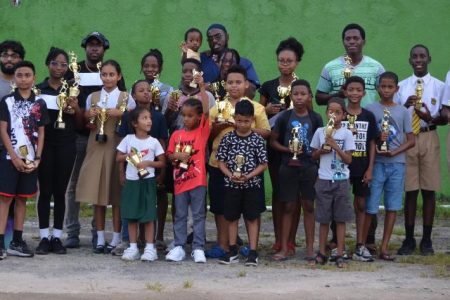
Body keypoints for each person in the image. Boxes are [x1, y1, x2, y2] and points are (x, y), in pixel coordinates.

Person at [65, 31, 125, 249]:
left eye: (98, 45)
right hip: (85, 138)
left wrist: (120, 115)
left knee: (112, 191)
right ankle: (73, 231)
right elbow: (75, 107)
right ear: (84, 48)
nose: (94, 49)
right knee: (79, 187)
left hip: (113, 143)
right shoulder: (74, 71)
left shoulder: (122, 93)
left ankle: (101, 235)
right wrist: (82, 114)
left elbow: (127, 115)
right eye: (90, 45)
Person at [207, 65, 270, 258]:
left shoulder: (257, 108)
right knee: (221, 207)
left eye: (238, 82)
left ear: (246, 84)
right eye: (230, 82)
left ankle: (252, 248)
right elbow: (208, 134)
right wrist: (221, 126)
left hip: (250, 169)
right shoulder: (217, 107)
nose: (234, 86)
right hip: (220, 165)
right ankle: (224, 244)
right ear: (225, 85)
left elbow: (267, 133)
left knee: (251, 209)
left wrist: (243, 128)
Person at [394, 45, 445, 256]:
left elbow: (445, 117)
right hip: (408, 138)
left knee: (429, 190)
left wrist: (429, 118)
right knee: (410, 190)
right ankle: (408, 239)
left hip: (429, 136)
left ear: (429, 59)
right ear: (409, 60)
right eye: (414, 56)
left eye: (422, 56)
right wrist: (405, 106)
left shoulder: (440, 86)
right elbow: (394, 115)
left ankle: (426, 240)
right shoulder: (401, 86)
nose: (418, 60)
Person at [76, 60, 127, 254]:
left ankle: (116, 237)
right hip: (97, 145)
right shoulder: (92, 97)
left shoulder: (125, 97)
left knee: (116, 194)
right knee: (98, 193)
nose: (108, 78)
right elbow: (87, 122)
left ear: (119, 76)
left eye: (111, 74)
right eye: (104, 75)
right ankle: (99, 237)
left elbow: (131, 120)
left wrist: (120, 113)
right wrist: (90, 114)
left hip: (117, 146)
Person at [35, 47, 83, 255]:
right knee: (44, 191)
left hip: (66, 144)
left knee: (60, 192)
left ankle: (57, 237)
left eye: (64, 64)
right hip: (44, 146)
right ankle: (44, 236)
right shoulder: (38, 90)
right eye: (55, 63)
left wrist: (76, 108)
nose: (59, 68)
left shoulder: (72, 90)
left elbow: (81, 123)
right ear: (48, 64)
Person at [259, 37, 304, 254]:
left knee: (294, 194)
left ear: (297, 63)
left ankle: (291, 240)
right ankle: (278, 239)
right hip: (274, 146)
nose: (285, 64)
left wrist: (296, 104)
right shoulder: (268, 86)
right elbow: (257, 115)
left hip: (296, 147)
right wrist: (267, 110)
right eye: (281, 60)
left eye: (290, 61)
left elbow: (310, 114)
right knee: (278, 192)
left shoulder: (301, 86)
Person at [0, 61, 49, 259]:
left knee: (22, 200)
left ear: (34, 78)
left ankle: (17, 241)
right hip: (8, 158)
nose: (23, 79)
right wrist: (13, 156)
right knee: (5, 200)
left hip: (30, 160)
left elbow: (42, 132)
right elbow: (2, 130)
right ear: (15, 78)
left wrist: (37, 158)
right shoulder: (7, 101)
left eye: (27, 75)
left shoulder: (39, 103)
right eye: (19, 75)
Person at [270, 79, 322, 262]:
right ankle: (284, 248)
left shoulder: (315, 118)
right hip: (288, 167)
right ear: (290, 96)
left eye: (303, 94)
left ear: (309, 96)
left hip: (309, 168)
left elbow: (318, 144)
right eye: (296, 94)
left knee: (308, 206)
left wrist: (315, 157)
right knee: (289, 207)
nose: (299, 98)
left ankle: (309, 249)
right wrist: (287, 150)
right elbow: (273, 140)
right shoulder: (284, 117)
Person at [364, 71, 415, 261]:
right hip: (376, 164)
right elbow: (369, 138)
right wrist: (378, 144)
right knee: (371, 206)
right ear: (377, 88)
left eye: (390, 87)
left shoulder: (402, 111)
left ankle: (384, 246)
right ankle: (364, 244)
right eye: (383, 86)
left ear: (397, 89)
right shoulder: (370, 109)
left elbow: (411, 140)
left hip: (397, 164)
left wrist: (395, 151)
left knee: (392, 207)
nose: (386, 90)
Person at [114, 80, 168, 255]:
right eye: (145, 118)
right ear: (135, 123)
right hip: (132, 181)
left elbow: (162, 159)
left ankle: (150, 247)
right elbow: (118, 157)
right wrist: (126, 160)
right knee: (130, 213)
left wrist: (151, 165)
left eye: (150, 118)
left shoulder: (154, 138)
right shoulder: (128, 138)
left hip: (148, 181)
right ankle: (132, 246)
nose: (149, 121)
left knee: (148, 214)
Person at [217, 99, 268, 266]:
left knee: (252, 217)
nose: (243, 124)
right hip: (231, 185)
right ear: (234, 118)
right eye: (239, 121)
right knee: (231, 217)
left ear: (252, 119)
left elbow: (263, 164)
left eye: (246, 121)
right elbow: (221, 162)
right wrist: (230, 175)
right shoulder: (228, 138)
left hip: (251, 185)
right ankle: (232, 250)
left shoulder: (257, 139)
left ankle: (253, 252)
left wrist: (249, 176)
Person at [165, 75, 210, 263]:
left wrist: (201, 88)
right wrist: (177, 156)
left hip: (198, 181)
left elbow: (207, 110)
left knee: (199, 215)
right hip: (180, 182)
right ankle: (179, 246)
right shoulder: (176, 134)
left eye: (190, 115)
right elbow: (169, 155)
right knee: (180, 214)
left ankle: (198, 247)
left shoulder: (202, 131)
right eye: (183, 115)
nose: (186, 119)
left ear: (199, 117)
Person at [310, 97, 355, 268]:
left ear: (343, 115)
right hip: (323, 179)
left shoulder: (347, 133)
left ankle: (339, 252)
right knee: (323, 218)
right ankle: (322, 252)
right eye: (330, 111)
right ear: (326, 112)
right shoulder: (320, 132)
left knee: (341, 219)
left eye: (337, 112)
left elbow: (349, 159)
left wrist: (335, 146)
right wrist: (322, 150)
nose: (333, 115)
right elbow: (313, 155)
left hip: (341, 180)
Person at [341, 76, 377, 262]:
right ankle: (338, 244)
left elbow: (372, 144)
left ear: (364, 93)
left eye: (358, 90)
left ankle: (360, 245)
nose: (354, 93)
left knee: (361, 204)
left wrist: (370, 168)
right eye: (351, 90)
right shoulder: (339, 114)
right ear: (345, 91)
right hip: (341, 168)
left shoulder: (368, 116)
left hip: (362, 167)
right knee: (340, 205)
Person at [315, 23, 385, 108]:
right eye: (348, 39)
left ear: (364, 41)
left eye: (356, 38)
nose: (351, 41)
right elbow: (318, 99)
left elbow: (386, 96)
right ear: (343, 42)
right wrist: (338, 95)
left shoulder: (376, 67)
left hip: (368, 120)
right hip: (340, 120)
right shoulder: (330, 67)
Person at [0, 40, 26, 251]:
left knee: (9, 196)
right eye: (5, 54)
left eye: (14, 55)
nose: (9, 59)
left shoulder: (25, 86)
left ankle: (8, 240)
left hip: (16, 150)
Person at [200, 23, 260, 98]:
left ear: (227, 37)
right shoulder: (202, 60)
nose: (214, 40)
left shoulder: (244, 63)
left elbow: (251, 93)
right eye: (210, 39)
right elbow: (190, 87)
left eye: (218, 37)